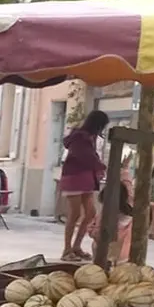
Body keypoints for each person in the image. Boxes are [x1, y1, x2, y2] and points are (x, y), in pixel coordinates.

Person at [59, 110, 109, 261]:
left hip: (86, 178)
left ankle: (76, 246)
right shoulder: (80, 137)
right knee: (74, 214)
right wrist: (100, 166)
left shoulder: (89, 137)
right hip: (74, 177)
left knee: (90, 213)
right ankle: (67, 250)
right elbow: (85, 156)